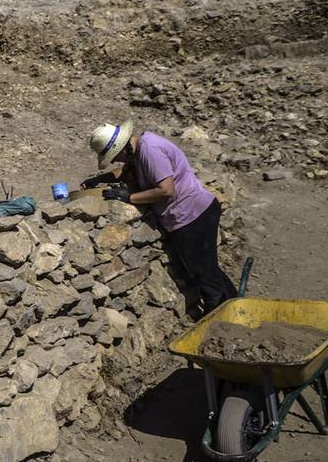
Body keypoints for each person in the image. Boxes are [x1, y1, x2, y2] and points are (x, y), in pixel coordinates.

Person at [84, 121, 237, 316]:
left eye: (116, 156)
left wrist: (129, 197)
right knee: (207, 269)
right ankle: (235, 305)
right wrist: (99, 180)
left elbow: (166, 190)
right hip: (188, 215)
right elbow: (124, 171)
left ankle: (218, 322)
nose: (117, 161)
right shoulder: (138, 151)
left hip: (192, 215)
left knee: (204, 275)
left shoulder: (150, 150)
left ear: (122, 148)